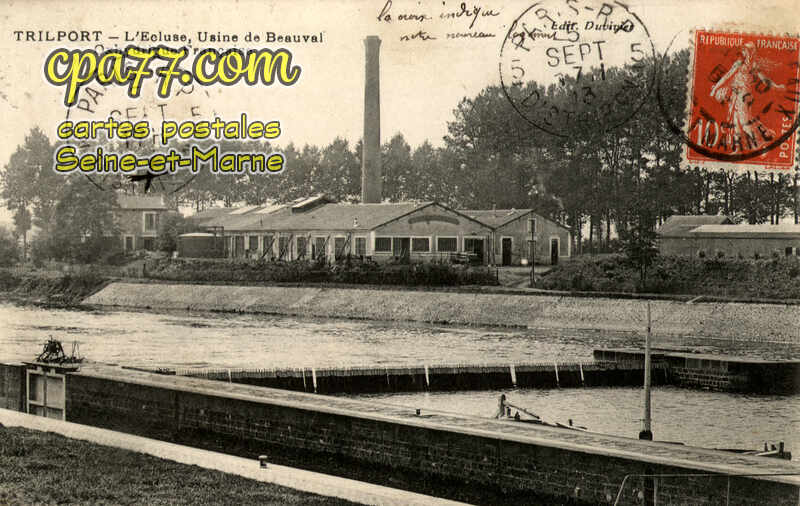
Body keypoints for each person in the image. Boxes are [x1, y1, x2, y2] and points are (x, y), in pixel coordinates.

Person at [709, 42, 785, 151]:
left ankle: (762, 143)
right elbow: (727, 77)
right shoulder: (740, 63)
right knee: (736, 123)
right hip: (736, 95)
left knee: (744, 122)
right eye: (744, 50)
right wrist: (716, 88)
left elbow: (765, 80)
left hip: (743, 95)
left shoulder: (753, 65)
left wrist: (776, 87)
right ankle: (739, 149)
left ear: (751, 52)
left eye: (746, 50)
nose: (744, 52)